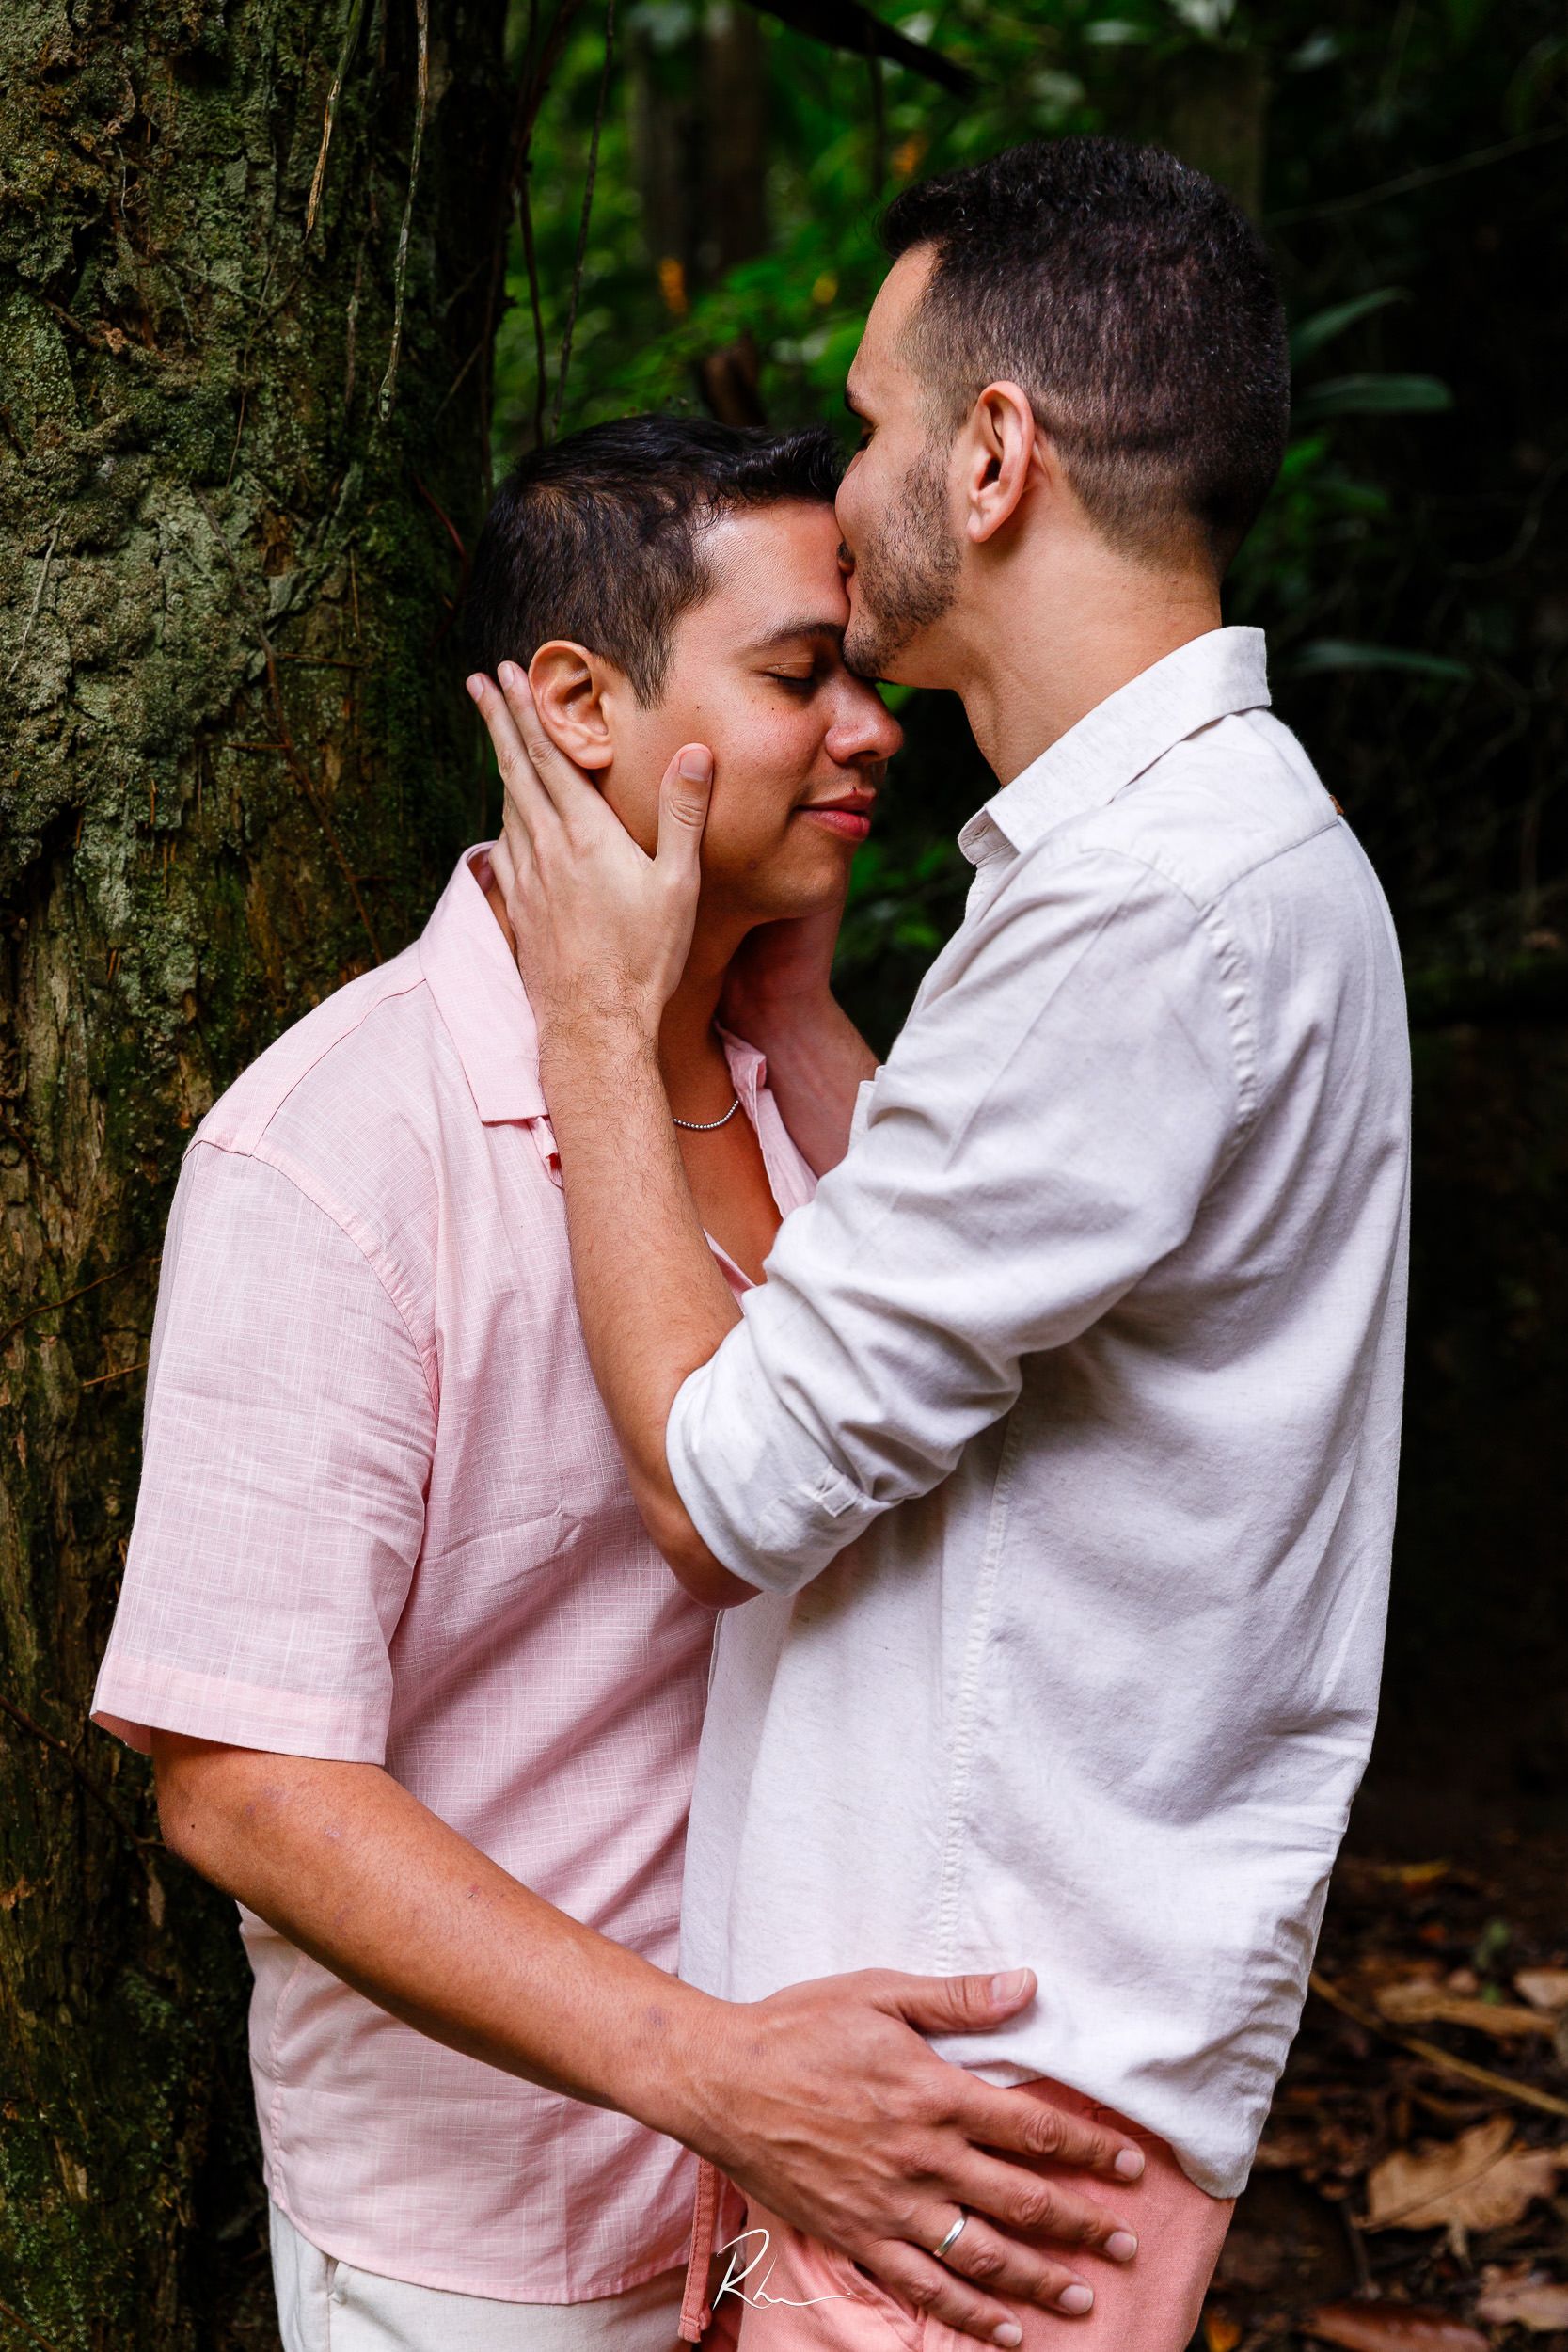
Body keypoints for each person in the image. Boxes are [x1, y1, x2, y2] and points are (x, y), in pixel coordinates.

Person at [467, 137, 1413, 2350]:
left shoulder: (1145, 908)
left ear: (993, 455)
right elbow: (968, 1335)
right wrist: (790, 1025)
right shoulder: (1212, 857)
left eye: (874, 418)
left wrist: (598, 1017)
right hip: (992, 2072)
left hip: (970, 2125)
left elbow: (724, 1487)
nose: (850, 470)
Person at [91, 416, 1147, 2352]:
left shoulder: (808, 1084)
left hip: (834, 2193)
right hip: (505, 2238)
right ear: (578, 702)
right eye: (801, 676)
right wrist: (713, 2072)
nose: (875, 729)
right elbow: (243, 1782)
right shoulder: (333, 1149)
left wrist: (799, 1017)